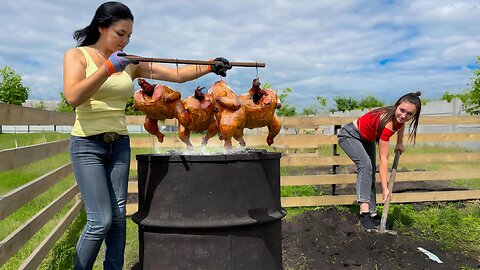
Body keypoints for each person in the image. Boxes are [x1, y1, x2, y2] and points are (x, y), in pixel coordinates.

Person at [63, 2, 232, 269]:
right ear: (101, 27)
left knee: (119, 218)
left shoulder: (130, 63)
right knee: (100, 221)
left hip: (118, 144)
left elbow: (175, 73)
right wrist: (107, 68)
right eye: (120, 33)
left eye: (129, 35)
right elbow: (73, 96)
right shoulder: (77, 56)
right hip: (87, 145)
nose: (125, 40)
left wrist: (210, 66)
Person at [337, 92, 422, 232]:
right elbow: (384, 159)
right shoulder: (386, 123)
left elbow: (400, 125)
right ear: (396, 106)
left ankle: (372, 213)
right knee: (365, 165)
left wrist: (400, 142)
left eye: (409, 114)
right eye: (402, 110)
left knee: (369, 172)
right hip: (350, 135)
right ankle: (364, 212)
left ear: (414, 116)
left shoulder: (399, 119)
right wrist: (385, 189)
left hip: (367, 138)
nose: (403, 116)